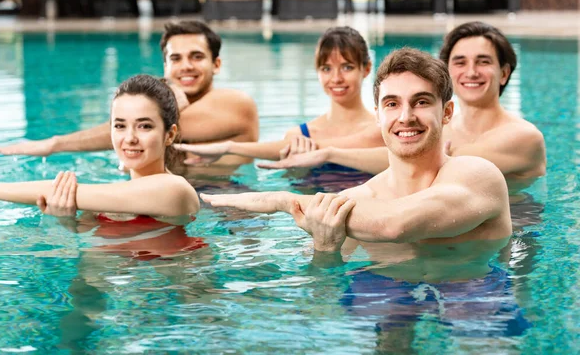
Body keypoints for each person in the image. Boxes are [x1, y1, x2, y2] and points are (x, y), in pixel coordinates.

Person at [200, 48, 512, 254]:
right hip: (390, 304)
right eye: (392, 104)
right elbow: (321, 300)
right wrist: (325, 246)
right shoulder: (359, 201)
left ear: (446, 113)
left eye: (421, 101)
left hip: (473, 303)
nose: (406, 117)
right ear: (378, 114)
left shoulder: (477, 175)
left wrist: (281, 201)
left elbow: (396, 224)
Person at [260, 22, 546, 193]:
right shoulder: (432, 126)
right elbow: (404, 158)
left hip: (506, 237)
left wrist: (328, 153)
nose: (470, 72)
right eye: (459, 62)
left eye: (483, 62)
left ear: (505, 73)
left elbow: (422, 160)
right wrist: (326, 154)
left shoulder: (523, 136)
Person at [0, 20, 259, 166]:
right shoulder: (166, 100)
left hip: (228, 202)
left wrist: (55, 144)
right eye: (175, 58)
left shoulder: (236, 103)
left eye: (197, 56)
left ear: (217, 64)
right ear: (165, 66)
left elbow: (150, 125)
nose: (186, 66)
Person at [0, 75, 199, 217]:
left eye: (144, 126)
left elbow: (53, 190)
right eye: (120, 126)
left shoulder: (174, 190)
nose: (129, 138)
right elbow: (84, 274)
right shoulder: (101, 205)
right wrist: (64, 222)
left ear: (169, 135)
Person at [175, 26, 385, 165]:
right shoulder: (299, 134)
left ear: (366, 69)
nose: (336, 79)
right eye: (326, 69)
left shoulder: (383, 130)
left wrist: (230, 147)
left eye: (347, 67)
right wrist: (298, 168)